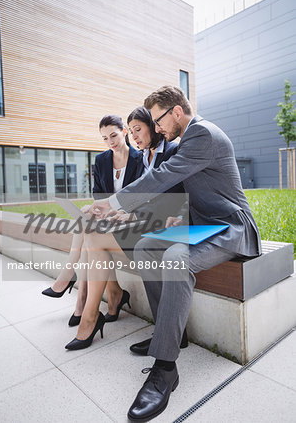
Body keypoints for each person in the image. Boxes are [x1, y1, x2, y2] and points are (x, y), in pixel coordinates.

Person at [89, 86, 262, 422]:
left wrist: (114, 202)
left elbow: (164, 175)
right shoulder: (187, 140)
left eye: (158, 120)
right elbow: (174, 189)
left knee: (175, 259)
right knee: (145, 246)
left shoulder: (202, 134)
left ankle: (165, 368)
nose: (156, 129)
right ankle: (173, 333)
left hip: (231, 228)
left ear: (177, 112)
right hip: (202, 225)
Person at [63, 106, 186, 350]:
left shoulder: (172, 152)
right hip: (146, 226)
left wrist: (131, 215)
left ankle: (92, 314)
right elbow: (143, 198)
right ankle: (93, 312)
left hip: (166, 230)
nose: (135, 136)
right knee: (93, 236)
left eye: (138, 130)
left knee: (95, 240)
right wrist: (124, 213)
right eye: (132, 131)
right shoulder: (145, 157)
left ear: (153, 126)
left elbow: (174, 199)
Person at [42, 114, 143, 326]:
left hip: (128, 220)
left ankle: (78, 294)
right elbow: (98, 195)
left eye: (114, 135)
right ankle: (98, 297)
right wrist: (97, 209)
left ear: (125, 132)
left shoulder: (140, 158)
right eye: (105, 138)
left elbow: (140, 197)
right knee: (87, 217)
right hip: (107, 217)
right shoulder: (101, 160)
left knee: (88, 233)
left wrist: (114, 209)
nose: (110, 142)